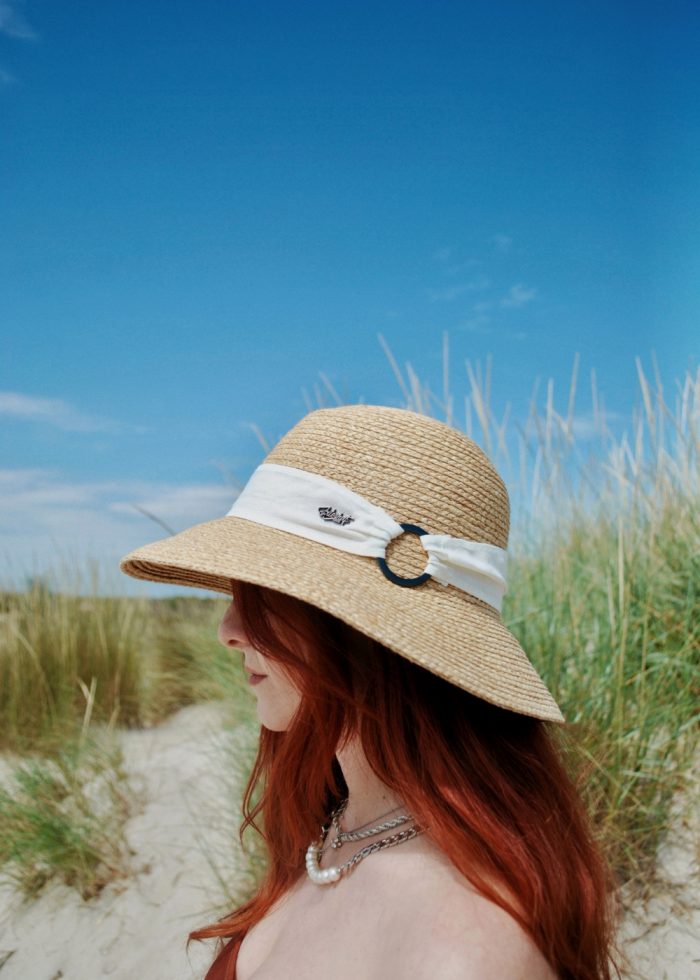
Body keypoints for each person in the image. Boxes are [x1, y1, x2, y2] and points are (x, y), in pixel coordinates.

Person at [120, 404, 621, 979]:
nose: (227, 631)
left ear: (358, 632)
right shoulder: (334, 828)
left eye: (262, 594)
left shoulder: (461, 952)